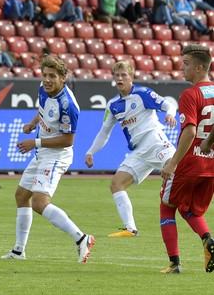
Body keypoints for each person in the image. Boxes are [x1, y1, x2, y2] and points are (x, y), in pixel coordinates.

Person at [1, 55, 95, 262]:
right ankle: (18, 250)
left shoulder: (68, 105)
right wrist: (33, 123)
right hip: (42, 152)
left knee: (39, 202)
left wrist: (34, 143)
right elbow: (43, 111)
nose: (47, 79)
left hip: (56, 155)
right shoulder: (44, 89)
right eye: (45, 75)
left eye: (52, 76)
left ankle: (81, 239)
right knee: (21, 196)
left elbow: (68, 140)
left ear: (63, 78)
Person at [85, 61, 177, 237]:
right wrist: (90, 152)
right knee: (116, 184)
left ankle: (187, 208)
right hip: (139, 152)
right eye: (117, 75)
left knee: (176, 168)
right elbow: (104, 133)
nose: (120, 79)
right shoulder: (113, 105)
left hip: (154, 140)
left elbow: (168, 105)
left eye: (124, 75)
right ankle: (130, 229)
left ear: (131, 77)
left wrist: (170, 114)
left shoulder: (142, 93)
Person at [159, 44, 214, 274]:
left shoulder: (190, 94)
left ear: (199, 68)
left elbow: (190, 132)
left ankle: (174, 264)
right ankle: (208, 241)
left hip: (189, 163)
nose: (181, 67)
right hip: (210, 165)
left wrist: (172, 163)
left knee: (166, 206)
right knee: (190, 210)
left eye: (186, 64)